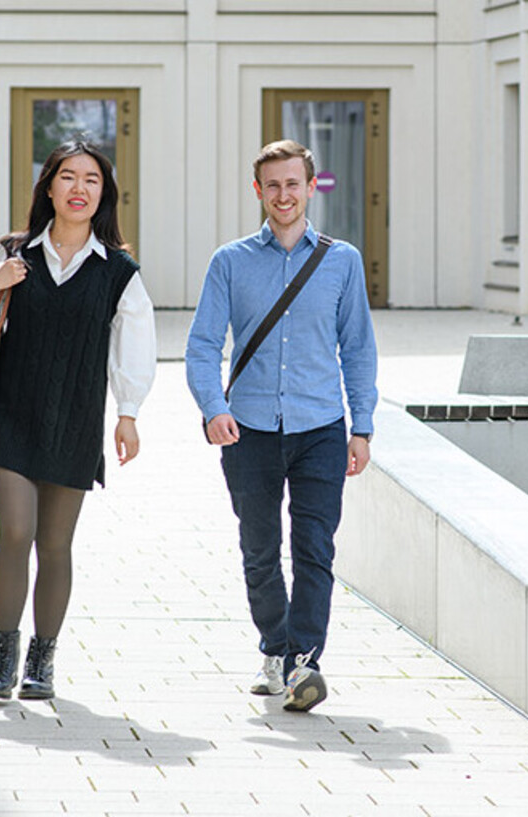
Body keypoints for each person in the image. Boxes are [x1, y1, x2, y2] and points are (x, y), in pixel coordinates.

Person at [0, 139, 156, 700]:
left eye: (91, 180)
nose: (78, 189)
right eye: (67, 177)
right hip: (12, 414)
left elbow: (134, 347)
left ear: (104, 195)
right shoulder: (15, 253)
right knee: (15, 532)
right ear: (49, 187)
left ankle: (41, 662)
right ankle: (3, 652)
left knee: (56, 544)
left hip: (74, 420)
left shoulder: (119, 272)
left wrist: (129, 413)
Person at [185, 139, 379, 713]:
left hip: (321, 426)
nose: (283, 195)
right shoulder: (230, 262)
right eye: (272, 185)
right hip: (249, 430)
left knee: (315, 548)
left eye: (293, 184)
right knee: (260, 550)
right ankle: (275, 646)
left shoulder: (341, 260)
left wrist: (361, 427)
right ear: (258, 192)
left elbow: (359, 349)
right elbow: (201, 347)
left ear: (310, 186)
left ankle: (303, 663)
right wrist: (213, 407)